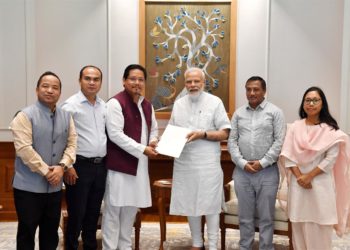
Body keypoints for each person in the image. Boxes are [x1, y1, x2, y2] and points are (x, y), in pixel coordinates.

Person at [10, 71, 77, 250]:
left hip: (54, 189)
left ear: (60, 92)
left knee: (50, 233)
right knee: (27, 232)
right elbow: (24, 150)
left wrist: (62, 166)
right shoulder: (24, 116)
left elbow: (72, 144)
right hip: (28, 188)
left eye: (55, 87)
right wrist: (48, 172)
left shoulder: (66, 116)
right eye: (45, 86)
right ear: (37, 89)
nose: (50, 90)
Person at [278, 86, 350, 250]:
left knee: (320, 228)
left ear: (322, 103)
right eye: (307, 100)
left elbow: (331, 159)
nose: (311, 103)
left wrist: (309, 176)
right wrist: (299, 177)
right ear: (303, 104)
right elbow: (287, 156)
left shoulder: (331, 130)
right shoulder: (295, 127)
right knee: (299, 228)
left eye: (315, 100)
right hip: (298, 186)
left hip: (320, 186)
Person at [169, 67, 231, 250]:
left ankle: (212, 245)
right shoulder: (179, 104)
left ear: (204, 83)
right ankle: (197, 242)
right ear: (185, 84)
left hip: (208, 164)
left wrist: (203, 134)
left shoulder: (215, 102)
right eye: (189, 82)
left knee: (210, 205)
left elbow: (225, 133)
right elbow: (173, 132)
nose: (193, 85)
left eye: (197, 81)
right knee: (190, 203)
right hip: (184, 163)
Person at [102, 64, 158, 250]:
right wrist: (143, 148)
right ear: (124, 81)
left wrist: (153, 141)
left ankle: (124, 246)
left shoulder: (146, 105)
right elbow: (115, 135)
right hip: (119, 167)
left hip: (140, 167)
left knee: (130, 210)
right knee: (113, 212)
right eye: (132, 79)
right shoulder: (115, 103)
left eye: (141, 79)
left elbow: (154, 130)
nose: (137, 83)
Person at [228, 76, 285, 250]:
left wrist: (262, 163)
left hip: (267, 172)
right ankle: (245, 246)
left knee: (266, 217)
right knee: (245, 216)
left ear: (264, 91)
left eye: (256, 89)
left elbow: (279, 141)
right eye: (248, 89)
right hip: (242, 172)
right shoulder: (238, 114)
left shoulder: (275, 112)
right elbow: (232, 141)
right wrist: (242, 163)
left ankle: (266, 247)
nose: (252, 93)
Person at [61, 65, 107, 250]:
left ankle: (90, 246)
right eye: (87, 78)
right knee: (77, 214)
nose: (92, 82)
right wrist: (68, 166)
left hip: (100, 167)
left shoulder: (104, 105)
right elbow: (61, 138)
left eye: (96, 79)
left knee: (93, 213)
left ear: (100, 82)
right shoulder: (70, 106)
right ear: (80, 80)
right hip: (78, 166)